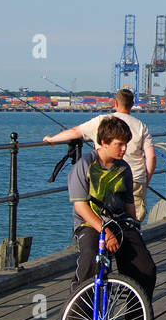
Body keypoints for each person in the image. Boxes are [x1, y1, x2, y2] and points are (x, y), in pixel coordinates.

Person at [65, 116, 157, 305]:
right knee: (92, 260)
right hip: (89, 223)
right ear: (104, 143)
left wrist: (134, 230)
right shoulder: (84, 166)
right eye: (119, 144)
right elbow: (80, 206)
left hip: (119, 222)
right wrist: (105, 232)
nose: (124, 149)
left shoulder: (124, 168)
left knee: (145, 268)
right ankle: (79, 317)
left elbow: (129, 203)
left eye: (126, 144)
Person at [45, 88, 156, 224]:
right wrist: (146, 180)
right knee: (132, 222)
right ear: (132, 104)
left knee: (105, 218)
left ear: (115, 103)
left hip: (105, 178)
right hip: (135, 178)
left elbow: (75, 132)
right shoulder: (141, 126)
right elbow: (151, 157)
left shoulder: (103, 121)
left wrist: (52, 139)